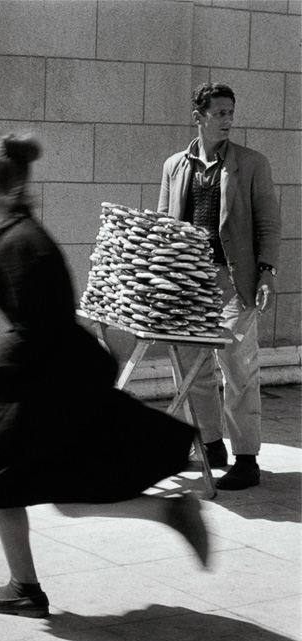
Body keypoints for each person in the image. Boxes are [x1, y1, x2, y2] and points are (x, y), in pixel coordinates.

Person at [0, 133, 209, 619]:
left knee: (0, 472)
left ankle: (24, 589)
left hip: (56, 383)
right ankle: (169, 510)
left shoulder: (18, 241)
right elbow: (42, 326)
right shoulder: (21, 234)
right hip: (63, 376)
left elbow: (35, 328)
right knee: (65, 493)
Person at [158, 82, 282, 491]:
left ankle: (246, 459)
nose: (228, 120)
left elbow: (268, 223)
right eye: (219, 113)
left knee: (239, 369)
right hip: (188, 283)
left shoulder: (252, 163)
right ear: (199, 117)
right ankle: (211, 445)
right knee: (193, 370)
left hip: (234, 282)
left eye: (231, 112)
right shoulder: (174, 165)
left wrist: (266, 272)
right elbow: (164, 226)